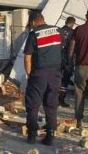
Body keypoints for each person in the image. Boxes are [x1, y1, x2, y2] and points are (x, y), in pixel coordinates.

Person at [23, 10, 63, 145]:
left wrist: (29, 75)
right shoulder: (58, 31)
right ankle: (50, 136)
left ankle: (32, 135)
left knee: (33, 105)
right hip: (56, 73)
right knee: (51, 105)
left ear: (33, 21)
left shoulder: (34, 34)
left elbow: (27, 58)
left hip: (39, 74)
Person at [58, 17, 77, 107]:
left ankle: (53, 98)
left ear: (65, 22)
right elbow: (72, 48)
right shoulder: (73, 33)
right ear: (73, 24)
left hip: (57, 58)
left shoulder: (58, 31)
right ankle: (61, 99)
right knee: (65, 79)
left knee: (56, 78)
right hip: (67, 59)